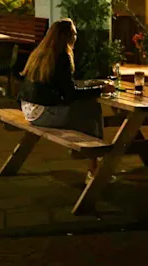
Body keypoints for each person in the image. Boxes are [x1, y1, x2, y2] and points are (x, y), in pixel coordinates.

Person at [18, 18, 114, 184]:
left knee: (85, 111)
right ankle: (93, 165)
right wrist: (101, 90)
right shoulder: (62, 57)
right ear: (67, 37)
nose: (76, 38)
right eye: (74, 34)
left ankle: (89, 154)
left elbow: (58, 87)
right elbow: (71, 95)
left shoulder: (40, 54)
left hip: (29, 109)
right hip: (44, 113)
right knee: (92, 108)